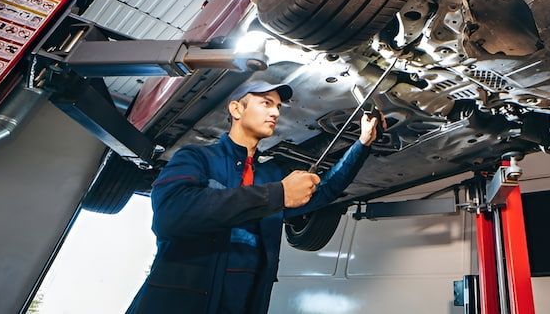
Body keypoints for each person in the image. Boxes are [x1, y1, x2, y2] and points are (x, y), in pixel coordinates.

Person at [126, 80, 380, 314]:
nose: (276, 113)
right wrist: (277, 194)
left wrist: (362, 143)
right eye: (266, 103)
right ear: (237, 109)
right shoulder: (196, 158)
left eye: (278, 107)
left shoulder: (271, 174)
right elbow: (171, 216)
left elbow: (324, 191)